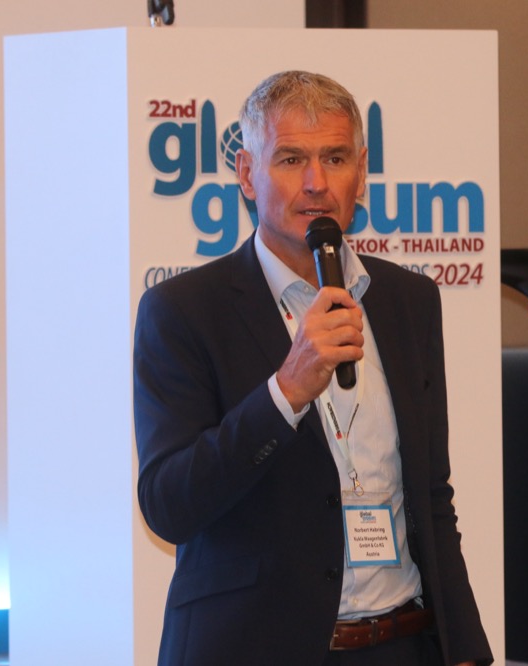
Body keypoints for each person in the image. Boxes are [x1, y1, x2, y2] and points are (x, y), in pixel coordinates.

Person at [133, 70, 493, 666]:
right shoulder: (184, 311)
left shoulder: (409, 300)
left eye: (335, 158)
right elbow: (169, 505)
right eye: (291, 159)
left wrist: (467, 651)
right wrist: (285, 392)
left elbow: (432, 494)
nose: (316, 183)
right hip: (254, 650)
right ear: (247, 173)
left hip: (402, 643)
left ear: (362, 171)